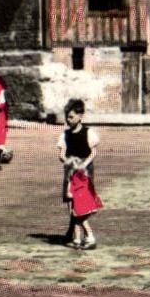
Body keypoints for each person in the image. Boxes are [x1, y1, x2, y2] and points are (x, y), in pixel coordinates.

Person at [57, 99, 102, 249]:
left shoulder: (88, 132)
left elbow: (93, 152)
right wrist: (69, 161)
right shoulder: (65, 134)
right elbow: (61, 153)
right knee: (71, 203)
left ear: (80, 116)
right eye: (67, 117)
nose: (68, 120)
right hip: (70, 171)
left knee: (80, 205)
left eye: (71, 117)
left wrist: (83, 164)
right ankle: (76, 237)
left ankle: (88, 235)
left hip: (84, 173)